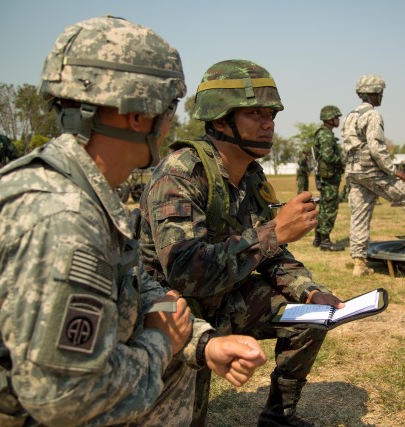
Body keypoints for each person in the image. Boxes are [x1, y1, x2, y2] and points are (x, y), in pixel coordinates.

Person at [0, 16, 266, 427]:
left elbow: (139, 289)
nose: (170, 124)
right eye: (169, 107)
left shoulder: (80, 190)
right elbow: (67, 397)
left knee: (179, 364)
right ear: (139, 115)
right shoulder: (63, 220)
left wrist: (201, 342)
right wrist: (161, 343)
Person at [138, 59, 345, 427]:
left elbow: (272, 255)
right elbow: (186, 274)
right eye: (254, 113)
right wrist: (275, 231)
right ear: (219, 120)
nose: (269, 123)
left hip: (225, 297)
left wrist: (311, 293)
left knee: (310, 319)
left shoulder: (251, 175)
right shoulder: (180, 173)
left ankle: (278, 415)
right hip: (171, 311)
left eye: (271, 114)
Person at [341, 74, 405, 276]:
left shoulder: (350, 116)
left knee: (360, 216)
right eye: (381, 93)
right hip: (371, 172)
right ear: (375, 93)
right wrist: (393, 170)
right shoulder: (372, 115)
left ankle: (359, 264)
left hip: (354, 173)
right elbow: (375, 147)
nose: (382, 96)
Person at [312, 105, 345, 251]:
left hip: (327, 176)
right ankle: (325, 241)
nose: (338, 120)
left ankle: (319, 238)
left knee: (325, 207)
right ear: (329, 119)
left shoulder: (325, 133)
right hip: (330, 177)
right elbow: (328, 156)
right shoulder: (325, 135)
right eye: (336, 117)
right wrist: (342, 160)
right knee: (329, 208)